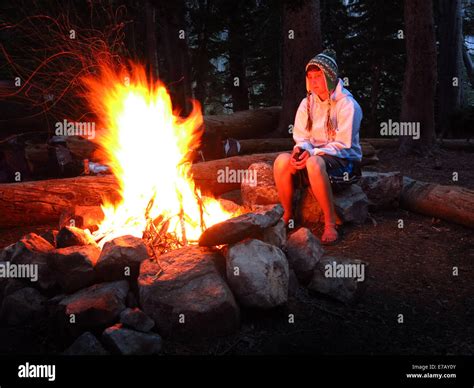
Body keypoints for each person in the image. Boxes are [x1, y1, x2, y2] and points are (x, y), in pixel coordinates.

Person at [273, 49, 363, 245]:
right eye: (310, 77)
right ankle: (287, 213)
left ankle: (331, 223)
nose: (313, 82)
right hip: (315, 157)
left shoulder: (348, 105)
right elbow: (302, 137)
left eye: (319, 76)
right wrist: (301, 149)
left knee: (314, 163)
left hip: (345, 164)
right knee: (281, 161)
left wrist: (312, 153)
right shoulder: (307, 103)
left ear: (330, 78)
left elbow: (343, 144)